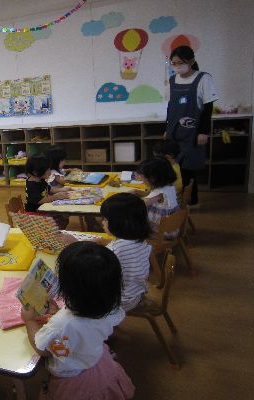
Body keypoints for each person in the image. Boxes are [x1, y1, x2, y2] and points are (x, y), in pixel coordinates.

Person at [21, 241, 134, 400]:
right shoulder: (112, 308)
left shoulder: (63, 324)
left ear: (68, 289)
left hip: (71, 375)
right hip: (93, 357)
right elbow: (81, 329)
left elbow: (46, 350)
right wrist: (60, 313)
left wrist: (30, 321)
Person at [165, 45, 219, 207]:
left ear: (192, 61)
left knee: (188, 167)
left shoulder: (203, 78)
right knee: (173, 167)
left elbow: (208, 108)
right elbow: (170, 107)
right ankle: (176, 200)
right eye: (174, 63)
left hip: (193, 132)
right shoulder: (172, 80)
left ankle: (191, 202)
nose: (177, 66)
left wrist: (203, 132)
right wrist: (167, 129)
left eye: (180, 63)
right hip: (175, 131)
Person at [101, 193, 152, 311]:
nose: (102, 222)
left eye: (105, 219)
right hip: (137, 293)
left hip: (121, 302)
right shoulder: (139, 239)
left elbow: (100, 274)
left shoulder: (116, 250)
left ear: (120, 223)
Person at [135, 158, 180, 237]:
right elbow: (148, 194)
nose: (141, 180)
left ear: (153, 178)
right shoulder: (170, 187)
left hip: (161, 232)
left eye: (142, 177)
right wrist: (136, 192)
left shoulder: (158, 194)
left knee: (131, 219)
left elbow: (139, 205)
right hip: (172, 227)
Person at [25, 154, 70, 228]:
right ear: (36, 172)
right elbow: (40, 200)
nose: (50, 172)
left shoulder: (40, 180)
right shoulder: (32, 185)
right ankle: (55, 232)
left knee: (63, 217)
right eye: (47, 170)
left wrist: (62, 189)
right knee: (61, 219)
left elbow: (50, 189)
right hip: (35, 214)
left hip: (43, 209)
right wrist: (55, 197)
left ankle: (58, 231)